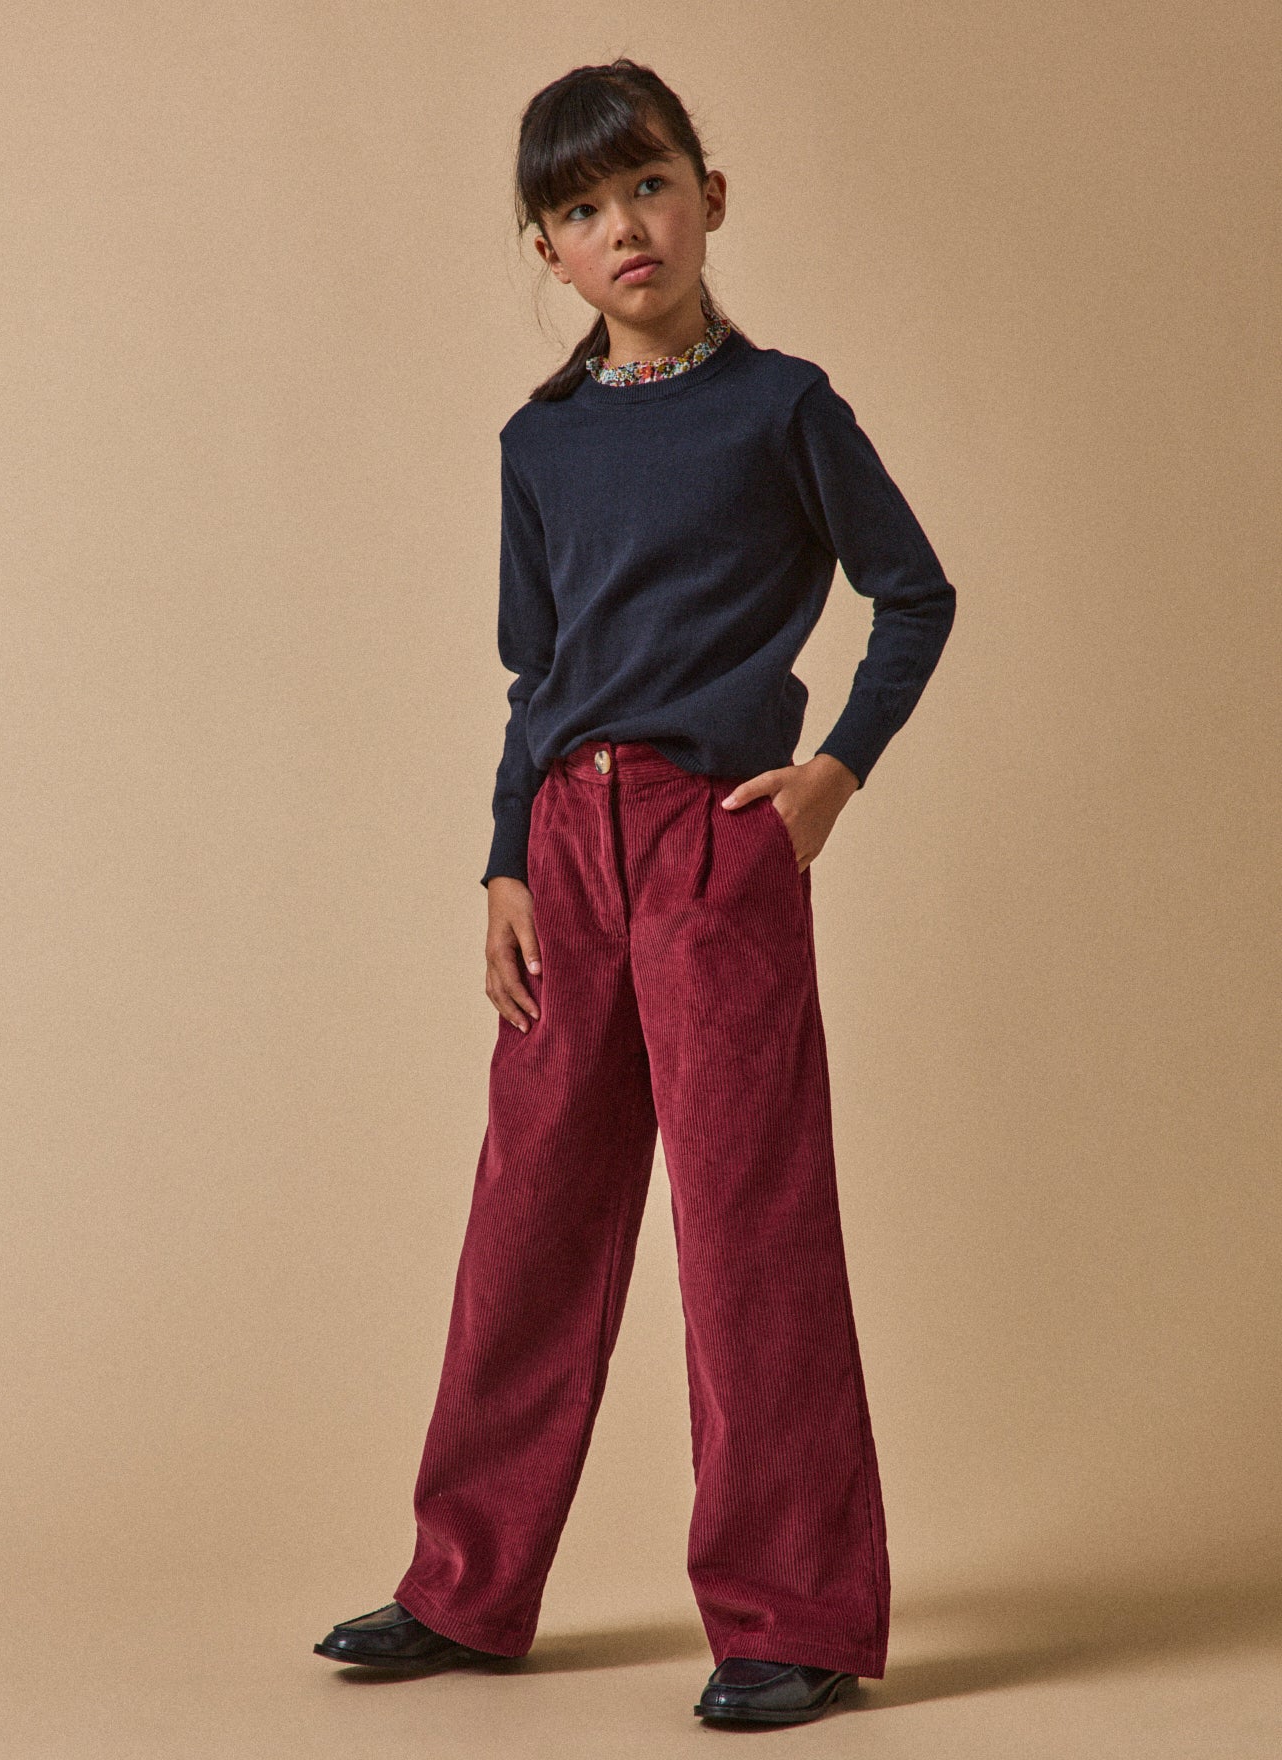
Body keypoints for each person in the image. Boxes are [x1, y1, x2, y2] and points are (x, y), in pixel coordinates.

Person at [315, 57, 957, 1727]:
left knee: (749, 1224)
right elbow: (537, 677)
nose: (627, 227)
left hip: (707, 838)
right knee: (527, 1215)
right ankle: (465, 1588)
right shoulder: (538, 445)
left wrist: (832, 775)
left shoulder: (785, 408)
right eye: (584, 209)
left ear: (709, 196)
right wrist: (502, 860)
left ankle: (794, 1617)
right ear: (548, 249)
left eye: (650, 185)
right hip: (564, 850)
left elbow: (914, 594)